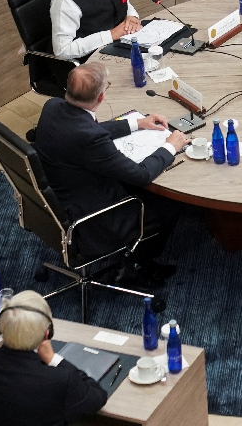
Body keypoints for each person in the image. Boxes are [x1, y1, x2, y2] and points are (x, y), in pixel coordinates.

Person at [33, 63, 191, 288]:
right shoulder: (90, 139)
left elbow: (85, 129)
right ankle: (135, 263)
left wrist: (137, 123)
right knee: (169, 203)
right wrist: (170, 146)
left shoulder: (52, 106)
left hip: (56, 200)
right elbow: (141, 174)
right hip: (91, 217)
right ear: (101, 97)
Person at [0, 290, 107, 425]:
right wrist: (53, 358)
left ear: (1, 327)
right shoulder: (60, 380)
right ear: (46, 334)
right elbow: (97, 397)